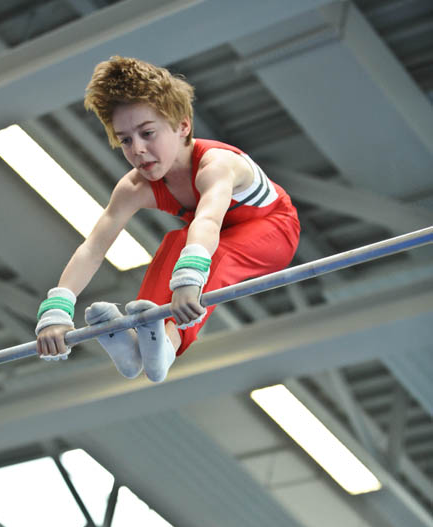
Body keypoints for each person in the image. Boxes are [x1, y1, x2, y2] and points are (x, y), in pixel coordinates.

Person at [36, 56, 300, 382]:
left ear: (183, 126)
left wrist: (190, 278)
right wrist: (57, 309)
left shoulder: (217, 165)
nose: (138, 149)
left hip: (275, 230)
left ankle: (168, 345)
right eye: (125, 140)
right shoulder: (134, 187)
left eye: (148, 133)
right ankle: (137, 344)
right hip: (210, 238)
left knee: (202, 249)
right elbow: (93, 248)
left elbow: (207, 221)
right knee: (176, 241)